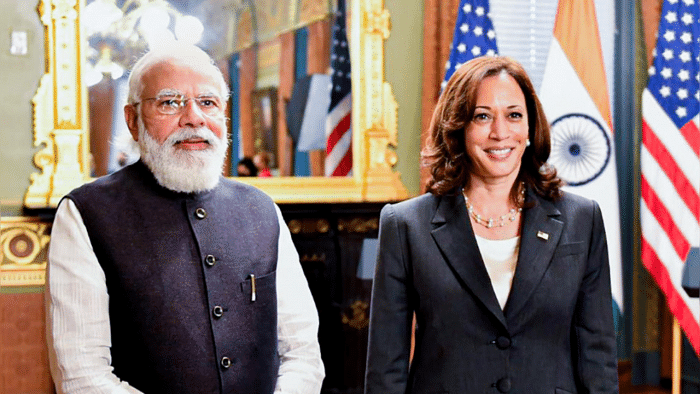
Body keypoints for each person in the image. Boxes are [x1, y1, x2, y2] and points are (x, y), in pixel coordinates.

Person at [45, 43, 325, 394]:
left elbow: (301, 351)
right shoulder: (85, 214)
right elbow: (82, 375)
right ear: (133, 120)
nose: (193, 117)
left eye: (208, 103)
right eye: (170, 102)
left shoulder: (261, 209)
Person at [364, 56, 618, 393]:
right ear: (458, 127)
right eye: (482, 116)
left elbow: (597, 357)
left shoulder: (581, 220)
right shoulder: (406, 226)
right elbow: (386, 368)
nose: (500, 133)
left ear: (530, 128)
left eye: (514, 115)